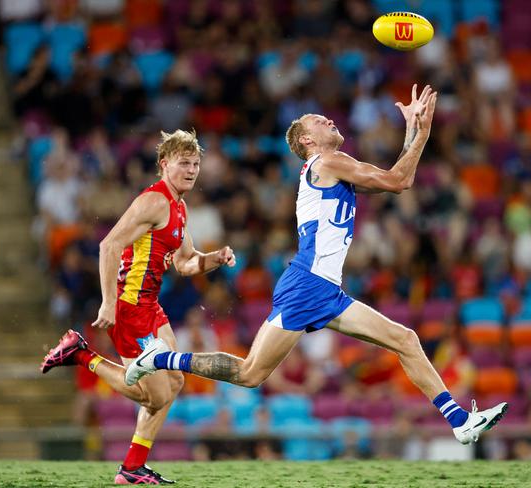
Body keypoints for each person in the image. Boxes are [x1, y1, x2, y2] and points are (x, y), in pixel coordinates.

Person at [126, 85, 508, 445]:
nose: (329, 120)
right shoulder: (327, 160)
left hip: (321, 286)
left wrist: (410, 131)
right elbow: (400, 180)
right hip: (310, 284)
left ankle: (459, 422)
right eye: (318, 121)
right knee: (250, 373)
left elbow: (394, 179)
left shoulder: (331, 168)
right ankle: (160, 358)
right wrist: (421, 131)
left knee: (403, 339)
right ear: (307, 140)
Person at [40, 129, 235, 484]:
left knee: (174, 382)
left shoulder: (179, 206)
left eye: (195, 164)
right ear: (164, 164)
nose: (191, 170)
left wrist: (216, 258)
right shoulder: (154, 202)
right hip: (129, 308)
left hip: (150, 305)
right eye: (183, 163)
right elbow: (108, 246)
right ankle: (81, 355)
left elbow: (185, 263)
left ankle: (131, 468)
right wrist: (109, 304)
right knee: (155, 394)